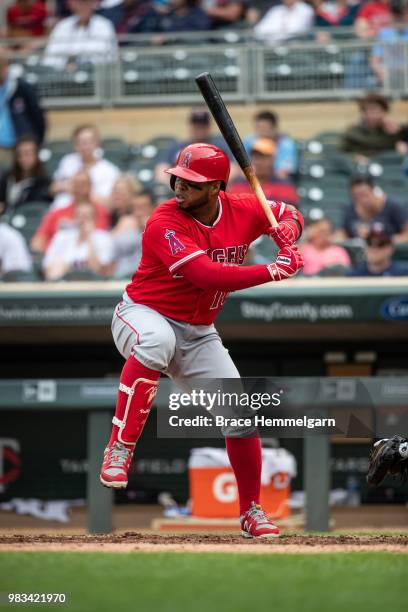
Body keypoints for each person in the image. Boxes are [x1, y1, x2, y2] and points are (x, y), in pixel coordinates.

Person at [99, 142, 304, 539]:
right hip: (143, 314)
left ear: (216, 188)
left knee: (240, 415)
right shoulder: (164, 220)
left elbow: (290, 214)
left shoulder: (243, 208)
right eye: (178, 179)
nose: (179, 188)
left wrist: (287, 230)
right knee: (156, 342)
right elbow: (206, 275)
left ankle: (251, 512)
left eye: (191, 183)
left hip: (198, 330)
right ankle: (119, 447)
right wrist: (272, 270)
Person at [31, 170, 110, 253]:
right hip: (57, 257)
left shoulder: (101, 211)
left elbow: (101, 238)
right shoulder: (56, 213)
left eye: (83, 184)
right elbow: (38, 241)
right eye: (76, 184)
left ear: (90, 187)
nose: (79, 188)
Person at [50, 124, 121, 209]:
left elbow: (109, 203)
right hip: (60, 210)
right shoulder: (67, 161)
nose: (85, 146)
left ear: (97, 143)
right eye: (81, 142)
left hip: (92, 213)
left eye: (89, 141)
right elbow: (53, 189)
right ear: (75, 145)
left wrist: (77, 190)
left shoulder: (110, 170)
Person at [42, 201, 115, 281]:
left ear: (94, 219)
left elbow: (100, 270)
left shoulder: (103, 237)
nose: (82, 220)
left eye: (86, 216)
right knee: (58, 261)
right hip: (64, 283)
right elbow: (46, 267)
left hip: (92, 285)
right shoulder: (62, 236)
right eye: (79, 216)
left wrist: (89, 238)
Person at [154, 108, 230, 183]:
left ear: (209, 126)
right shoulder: (177, 147)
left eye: (203, 125)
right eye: (196, 124)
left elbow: (232, 169)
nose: (199, 128)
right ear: (190, 126)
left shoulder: (219, 148)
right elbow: (161, 171)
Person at [0, 49, 46, 167]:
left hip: (19, 147)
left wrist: (35, 142)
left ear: (5, 68)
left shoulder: (21, 87)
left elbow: (38, 116)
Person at [43, 0, 118, 69]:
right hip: (62, 76)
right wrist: (67, 65)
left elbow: (103, 56)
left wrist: (79, 65)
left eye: (86, 3)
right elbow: (50, 57)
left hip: (94, 75)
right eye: (79, 3)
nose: (82, 7)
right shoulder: (62, 25)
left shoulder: (104, 25)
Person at [337, 175, 408, 242]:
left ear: (373, 191)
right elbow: (342, 233)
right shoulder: (350, 209)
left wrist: (384, 240)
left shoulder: (394, 206)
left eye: (364, 195)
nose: (362, 200)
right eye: (356, 197)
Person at [228, 138, 299, 205]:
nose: (257, 162)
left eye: (263, 158)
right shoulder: (238, 184)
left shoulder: (284, 186)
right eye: (255, 157)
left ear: (272, 160)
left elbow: (289, 212)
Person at [340, 92, 406, 158]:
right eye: (369, 111)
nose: (373, 116)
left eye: (377, 112)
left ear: (384, 112)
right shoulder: (353, 132)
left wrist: (401, 129)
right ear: (363, 113)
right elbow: (341, 153)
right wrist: (354, 157)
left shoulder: (395, 131)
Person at [0, 136, 51, 216]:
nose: (23, 158)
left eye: (27, 153)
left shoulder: (44, 183)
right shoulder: (8, 177)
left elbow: (33, 206)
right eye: (19, 154)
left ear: (36, 155)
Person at [243, 109, 298, 180]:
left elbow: (283, 174)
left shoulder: (286, 144)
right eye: (258, 128)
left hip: (275, 181)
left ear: (274, 128)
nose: (261, 132)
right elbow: (238, 168)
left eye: (264, 128)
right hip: (251, 179)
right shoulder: (249, 141)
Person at [371, 0, 408, 87]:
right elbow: (375, 61)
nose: (398, 17)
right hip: (389, 75)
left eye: (401, 14)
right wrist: (382, 73)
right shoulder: (384, 33)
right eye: (395, 14)